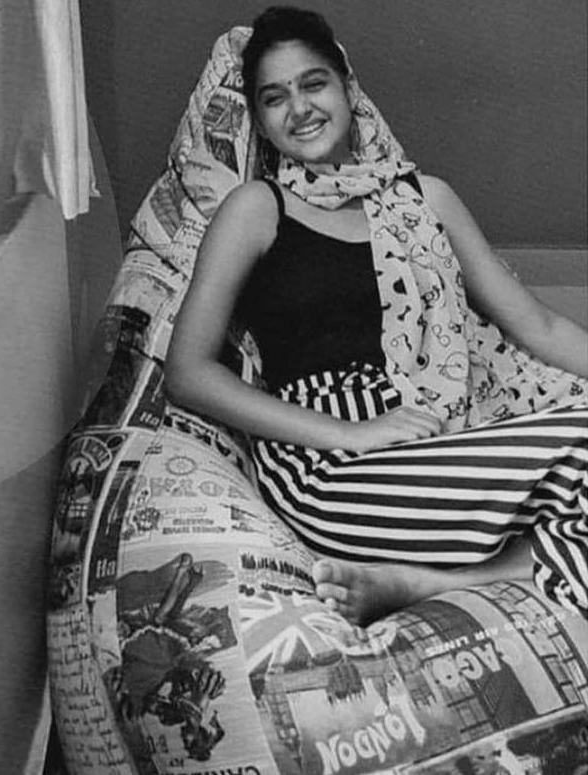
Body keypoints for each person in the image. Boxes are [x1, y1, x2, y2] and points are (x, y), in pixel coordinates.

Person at [164, 6, 588, 625]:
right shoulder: (256, 208)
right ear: (260, 120)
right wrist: (350, 434)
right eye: (275, 98)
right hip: (329, 465)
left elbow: (538, 326)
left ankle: (432, 582)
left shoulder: (426, 199)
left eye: (313, 84)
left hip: (439, 436)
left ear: (347, 88)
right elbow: (187, 372)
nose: (299, 109)